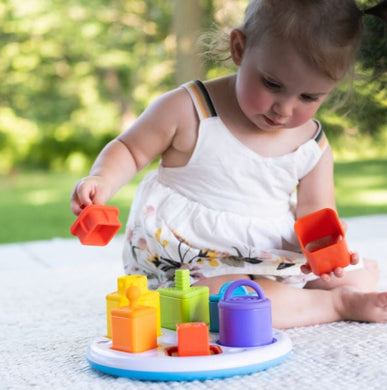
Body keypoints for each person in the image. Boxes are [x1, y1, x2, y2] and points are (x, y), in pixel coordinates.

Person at [71, 0, 387, 328]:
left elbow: (316, 214)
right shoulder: (188, 109)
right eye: (272, 84)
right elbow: (130, 149)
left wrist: (323, 249)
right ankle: (336, 304)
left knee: (353, 275)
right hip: (193, 254)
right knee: (226, 303)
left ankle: (321, 291)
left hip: (267, 251)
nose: (284, 108)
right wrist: (101, 180)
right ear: (239, 48)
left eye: (309, 98)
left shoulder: (313, 145)